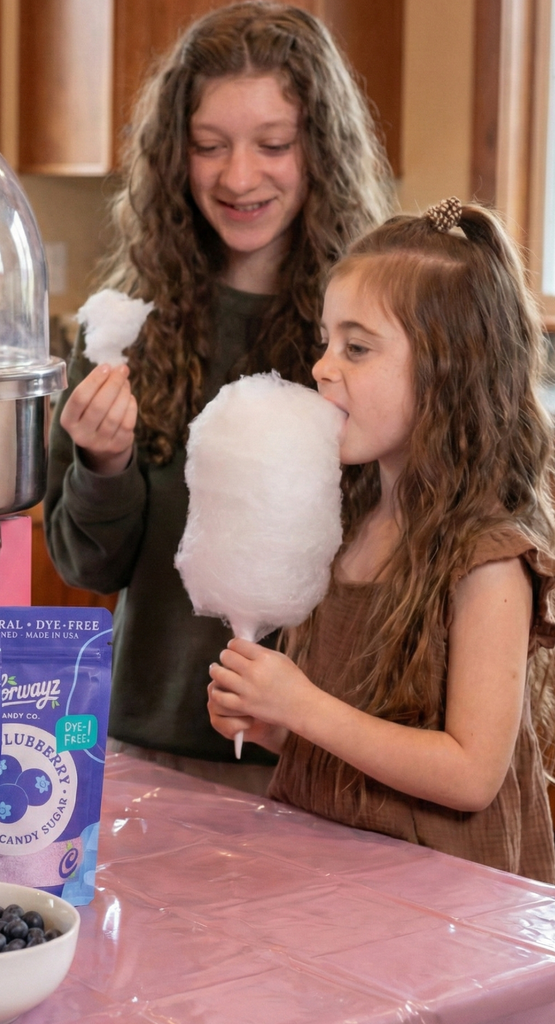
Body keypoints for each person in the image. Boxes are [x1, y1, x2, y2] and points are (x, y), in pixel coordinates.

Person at [43, 1, 395, 787]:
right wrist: (102, 463)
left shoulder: (371, 339)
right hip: (149, 740)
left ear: (322, 150)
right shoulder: (121, 331)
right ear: (177, 155)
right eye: (209, 147)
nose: (239, 177)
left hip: (322, 757)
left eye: (273, 145)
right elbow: (88, 565)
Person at [207, 198, 555, 880]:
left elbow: (469, 774)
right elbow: (362, 748)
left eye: (357, 348)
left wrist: (303, 706)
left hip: (447, 906)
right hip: (334, 881)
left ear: (451, 369)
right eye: (326, 341)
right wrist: (279, 725)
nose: (322, 368)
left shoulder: (486, 559)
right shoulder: (344, 527)